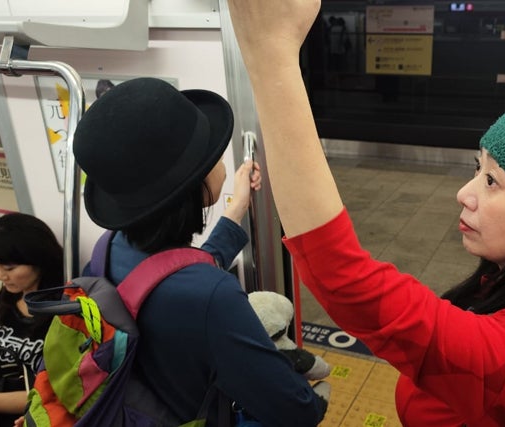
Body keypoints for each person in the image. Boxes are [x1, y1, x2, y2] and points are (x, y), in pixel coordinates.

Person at [227, 1, 505, 426]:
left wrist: (271, 52)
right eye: (476, 169)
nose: (464, 193)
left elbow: (342, 277)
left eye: (492, 181)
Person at [71, 77, 327, 426]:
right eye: (214, 153)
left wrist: (236, 210)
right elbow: (292, 408)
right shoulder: (213, 296)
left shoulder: (109, 248)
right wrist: (314, 400)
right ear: (196, 185)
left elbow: (169, 275)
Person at [0, 213, 64, 427]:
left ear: (39, 261)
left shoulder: (63, 315)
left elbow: (49, 394)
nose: (0, 276)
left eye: (9, 268)